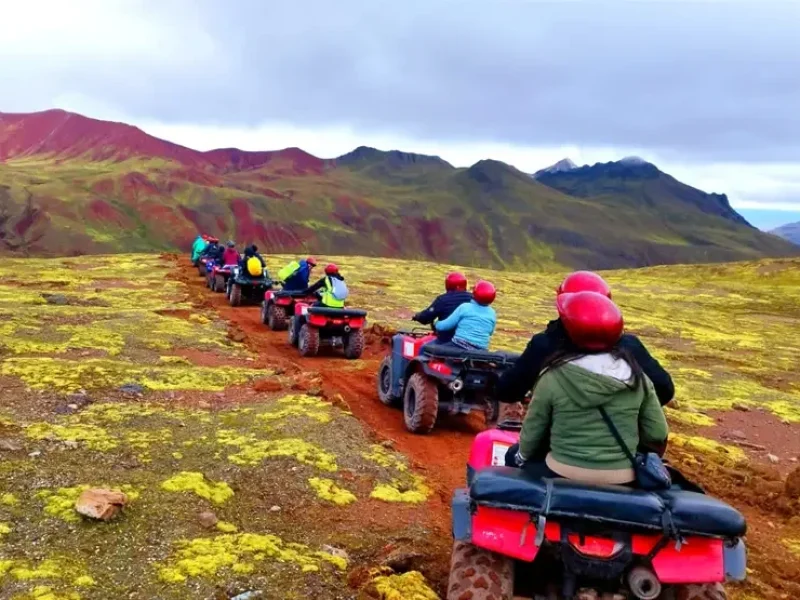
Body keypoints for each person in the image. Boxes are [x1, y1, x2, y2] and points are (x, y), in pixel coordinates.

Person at [507, 291, 669, 486]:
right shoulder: (639, 378)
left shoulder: (552, 376)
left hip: (560, 470)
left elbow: (533, 430)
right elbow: (657, 433)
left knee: (510, 457)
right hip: (623, 476)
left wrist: (521, 457)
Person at [497, 271, 674, 406]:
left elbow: (507, 391)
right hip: (622, 445)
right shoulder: (630, 347)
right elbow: (664, 390)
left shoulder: (545, 345)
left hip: (558, 444)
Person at [434, 280, 497, 351]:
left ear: (475, 293)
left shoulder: (465, 307)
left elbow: (444, 326)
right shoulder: (492, 313)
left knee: (426, 348)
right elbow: (490, 332)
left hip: (458, 345)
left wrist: (437, 323)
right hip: (480, 350)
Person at [412, 272, 473, 343]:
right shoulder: (473, 299)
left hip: (447, 341)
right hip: (470, 341)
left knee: (423, 347)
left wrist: (417, 316)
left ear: (447, 285)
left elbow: (426, 317)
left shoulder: (443, 300)